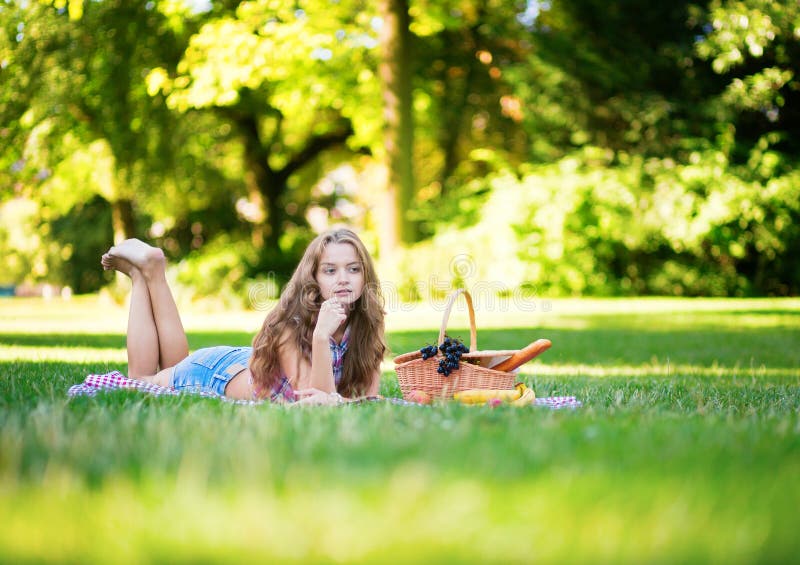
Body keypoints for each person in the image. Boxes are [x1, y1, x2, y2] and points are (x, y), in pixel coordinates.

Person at [100, 228, 387, 405]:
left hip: (243, 363)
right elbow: (318, 402)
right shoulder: (292, 323)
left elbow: (369, 399)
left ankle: (152, 270)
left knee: (174, 364)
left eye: (353, 269)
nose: (343, 279)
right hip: (213, 374)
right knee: (141, 378)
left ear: (365, 275)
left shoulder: (368, 320)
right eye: (330, 270)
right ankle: (141, 275)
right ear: (312, 277)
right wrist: (321, 336)